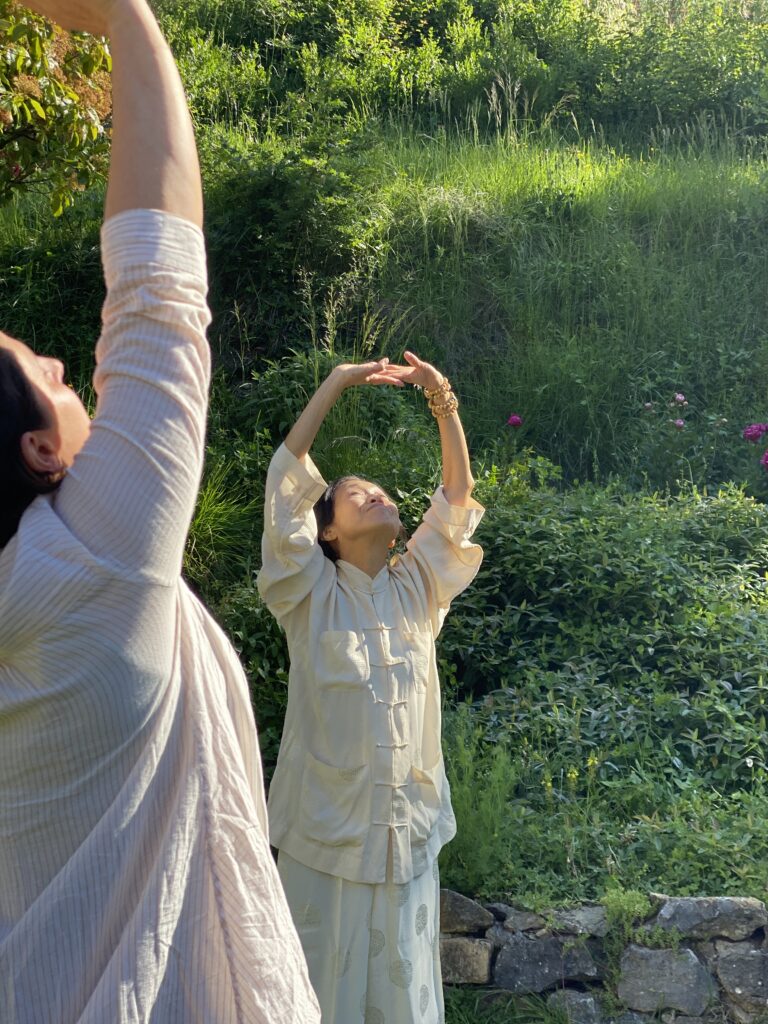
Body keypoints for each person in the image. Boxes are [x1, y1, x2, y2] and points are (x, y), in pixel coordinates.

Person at [0, 1, 320, 1021]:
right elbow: (159, 298)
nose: (63, 365)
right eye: (44, 373)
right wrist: (126, 18)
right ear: (39, 450)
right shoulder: (92, 563)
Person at [257, 353, 485, 1023]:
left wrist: (441, 397)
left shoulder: (418, 588)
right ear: (326, 529)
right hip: (325, 839)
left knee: (405, 1004)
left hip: (404, 839)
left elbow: (457, 498)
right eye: (357, 493)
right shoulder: (309, 593)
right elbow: (285, 480)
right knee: (312, 1002)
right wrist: (337, 381)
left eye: (382, 491)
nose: (377, 495)